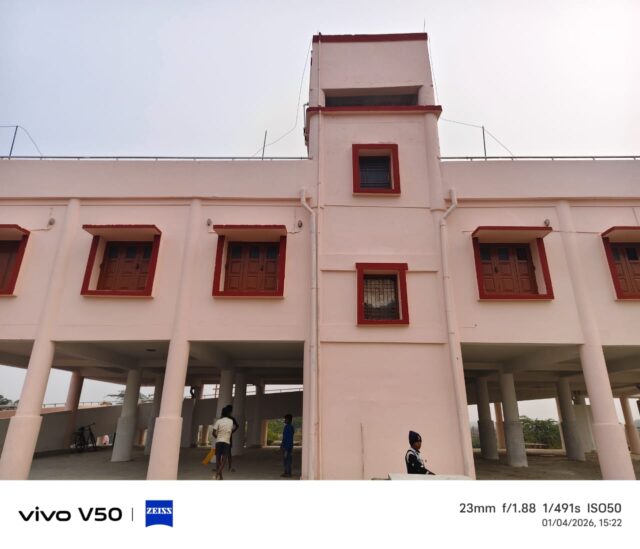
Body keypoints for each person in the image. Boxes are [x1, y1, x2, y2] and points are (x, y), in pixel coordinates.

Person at [211, 406, 236, 480]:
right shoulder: (231, 421)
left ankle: (220, 476)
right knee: (224, 460)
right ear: (228, 413)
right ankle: (217, 475)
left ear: (222, 413)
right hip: (226, 442)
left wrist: (218, 437)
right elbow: (230, 431)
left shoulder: (218, 421)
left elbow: (213, 433)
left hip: (218, 442)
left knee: (218, 460)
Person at [221, 404, 240, 472]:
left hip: (223, 436)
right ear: (230, 411)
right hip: (228, 436)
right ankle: (229, 467)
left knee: (223, 452)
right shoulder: (231, 418)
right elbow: (237, 426)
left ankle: (222, 467)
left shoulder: (223, 418)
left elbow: (237, 426)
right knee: (228, 453)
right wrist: (232, 431)